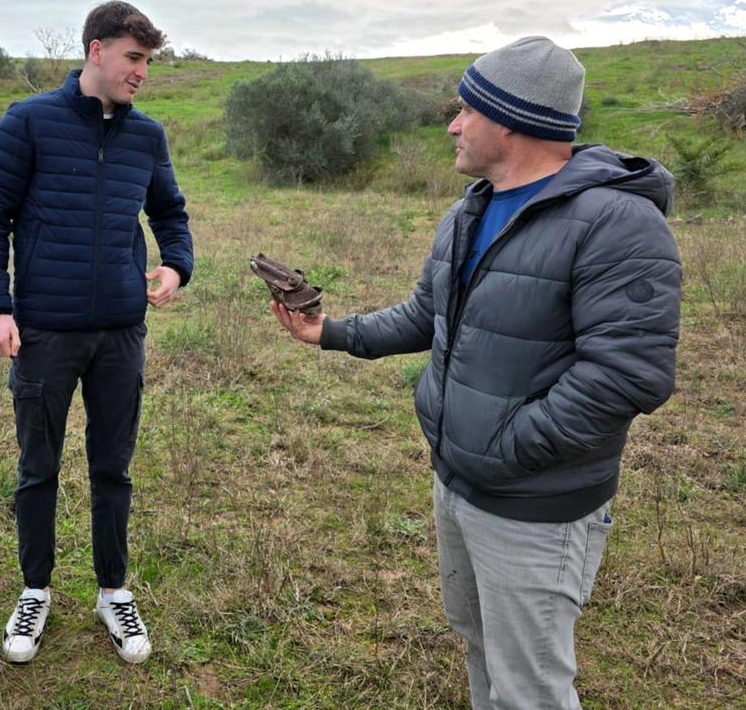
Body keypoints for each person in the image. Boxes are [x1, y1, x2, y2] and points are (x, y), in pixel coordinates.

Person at [272, 37, 681, 709]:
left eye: (467, 110)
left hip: (533, 506)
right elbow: (427, 315)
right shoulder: (470, 209)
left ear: (512, 120)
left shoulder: (618, 224)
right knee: (478, 644)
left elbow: (628, 375)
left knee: (532, 686)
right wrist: (332, 333)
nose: (453, 125)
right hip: (456, 483)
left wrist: (504, 448)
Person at [0, 0, 193, 664]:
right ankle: (35, 589)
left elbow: (170, 211)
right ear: (96, 50)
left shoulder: (146, 137)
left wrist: (176, 264)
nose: (142, 73)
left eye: (147, 60)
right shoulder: (28, 122)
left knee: (112, 467)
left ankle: (112, 589)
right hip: (44, 333)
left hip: (121, 332)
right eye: (133, 58)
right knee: (39, 467)